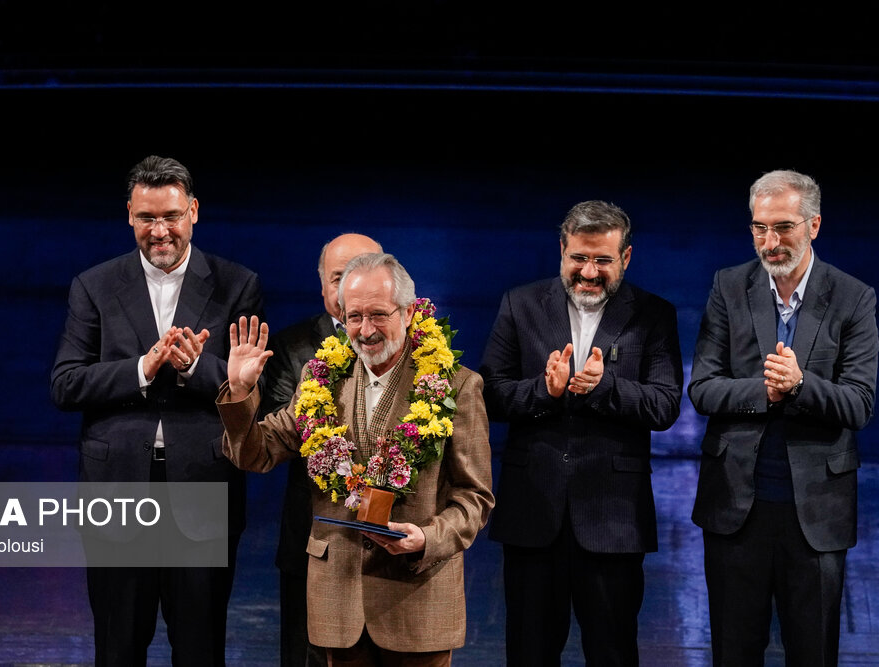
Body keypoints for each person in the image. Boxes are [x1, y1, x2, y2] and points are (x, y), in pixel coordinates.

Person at [218, 252, 494, 666]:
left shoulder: (457, 386)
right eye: (354, 317)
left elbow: (475, 498)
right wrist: (240, 392)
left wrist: (428, 539)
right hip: (338, 603)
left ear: (408, 312)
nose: (366, 331)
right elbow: (255, 453)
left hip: (418, 603)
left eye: (379, 315)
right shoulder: (321, 380)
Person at [50, 155, 264, 666]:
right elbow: (65, 383)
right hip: (117, 494)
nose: (160, 230)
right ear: (129, 214)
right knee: (118, 648)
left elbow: (258, 390)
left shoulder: (237, 283)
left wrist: (196, 369)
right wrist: (142, 369)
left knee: (200, 648)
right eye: (147, 217)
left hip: (204, 491)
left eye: (171, 215)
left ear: (193, 210)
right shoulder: (94, 286)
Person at [480, 200, 682, 666]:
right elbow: (489, 395)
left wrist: (604, 387)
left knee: (612, 653)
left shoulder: (654, 314)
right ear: (562, 251)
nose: (589, 272)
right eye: (579, 258)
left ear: (625, 258)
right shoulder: (521, 303)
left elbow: (665, 404)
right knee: (529, 653)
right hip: (533, 514)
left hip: (613, 521)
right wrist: (543, 391)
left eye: (603, 260)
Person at [690, 170, 878, 666]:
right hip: (735, 511)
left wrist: (801, 386)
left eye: (784, 228)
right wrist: (768, 392)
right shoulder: (728, 287)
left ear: (814, 225)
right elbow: (703, 388)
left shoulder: (854, 297)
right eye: (759, 228)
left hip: (816, 515)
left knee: (813, 653)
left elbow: (859, 403)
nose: (769, 242)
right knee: (733, 652)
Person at [261, 233, 382, 667]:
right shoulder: (291, 346)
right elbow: (273, 430)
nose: (349, 286)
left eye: (361, 272)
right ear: (322, 287)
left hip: (394, 545)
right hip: (314, 540)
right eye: (338, 278)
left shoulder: (423, 348)